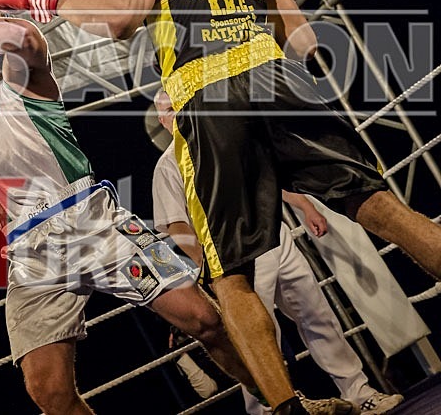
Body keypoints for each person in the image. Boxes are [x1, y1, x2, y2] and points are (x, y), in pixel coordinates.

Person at [0, 0, 441, 411]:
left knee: (230, 277)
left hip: (211, 100)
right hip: (281, 83)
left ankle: (285, 408)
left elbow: (119, 19)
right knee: (383, 209)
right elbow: (302, 37)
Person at [0, 0, 260, 415]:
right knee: (48, 391)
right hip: (28, 248)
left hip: (87, 216)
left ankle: (280, 400)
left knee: (203, 319)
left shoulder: (24, 68)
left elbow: (20, 37)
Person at [152, 89, 405, 414]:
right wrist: (209, 271)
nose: (177, 114)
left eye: (179, 106)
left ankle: (358, 391)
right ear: (161, 121)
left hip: (275, 239)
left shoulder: (220, 140)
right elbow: (176, 225)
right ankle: (266, 411)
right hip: (231, 259)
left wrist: (306, 206)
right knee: (256, 339)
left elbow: (266, 178)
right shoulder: (167, 166)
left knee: (319, 316)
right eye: (169, 111)